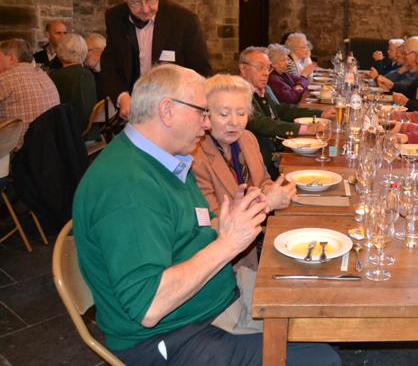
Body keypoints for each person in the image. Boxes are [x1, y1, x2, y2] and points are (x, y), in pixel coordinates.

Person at [72, 64, 339, 365]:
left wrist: (228, 222)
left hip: (211, 300)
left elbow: (188, 229)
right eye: (202, 112)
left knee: (313, 307)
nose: (207, 125)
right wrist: (228, 243)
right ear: (167, 111)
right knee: (320, 358)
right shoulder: (128, 187)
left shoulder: (168, 159)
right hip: (171, 336)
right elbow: (149, 307)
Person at [192, 74, 297, 268]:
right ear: (205, 115)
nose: (235, 122)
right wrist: (266, 204)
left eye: (241, 113)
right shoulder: (196, 156)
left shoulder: (247, 138)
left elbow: (263, 181)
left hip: (261, 242)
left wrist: (274, 190)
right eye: (224, 114)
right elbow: (215, 224)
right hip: (230, 264)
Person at [102, 0, 212, 120]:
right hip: (133, 112)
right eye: (136, 3)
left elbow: (202, 72)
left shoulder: (184, 20)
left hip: (175, 111)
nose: (145, 9)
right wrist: (122, 97)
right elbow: (110, 64)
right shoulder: (114, 18)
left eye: (151, 0)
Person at [239, 47, 334, 172]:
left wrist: (320, 113)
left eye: (268, 68)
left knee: (328, 156)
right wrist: (305, 129)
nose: (266, 72)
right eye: (260, 67)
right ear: (243, 69)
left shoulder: (260, 89)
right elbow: (262, 123)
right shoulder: (239, 94)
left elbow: (281, 110)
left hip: (279, 152)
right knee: (323, 163)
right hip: (264, 164)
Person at [0, 38, 60, 147]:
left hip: (19, 150)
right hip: (49, 146)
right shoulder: (43, 74)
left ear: (12, 58)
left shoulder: (4, 79)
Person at [49, 33, 98, 133]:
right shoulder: (88, 74)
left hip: (71, 134)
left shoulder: (55, 76)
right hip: (92, 131)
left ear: (60, 51)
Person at [84, 32, 107, 99]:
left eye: (86, 50)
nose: (84, 55)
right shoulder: (86, 72)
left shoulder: (111, 71)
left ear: (98, 51)